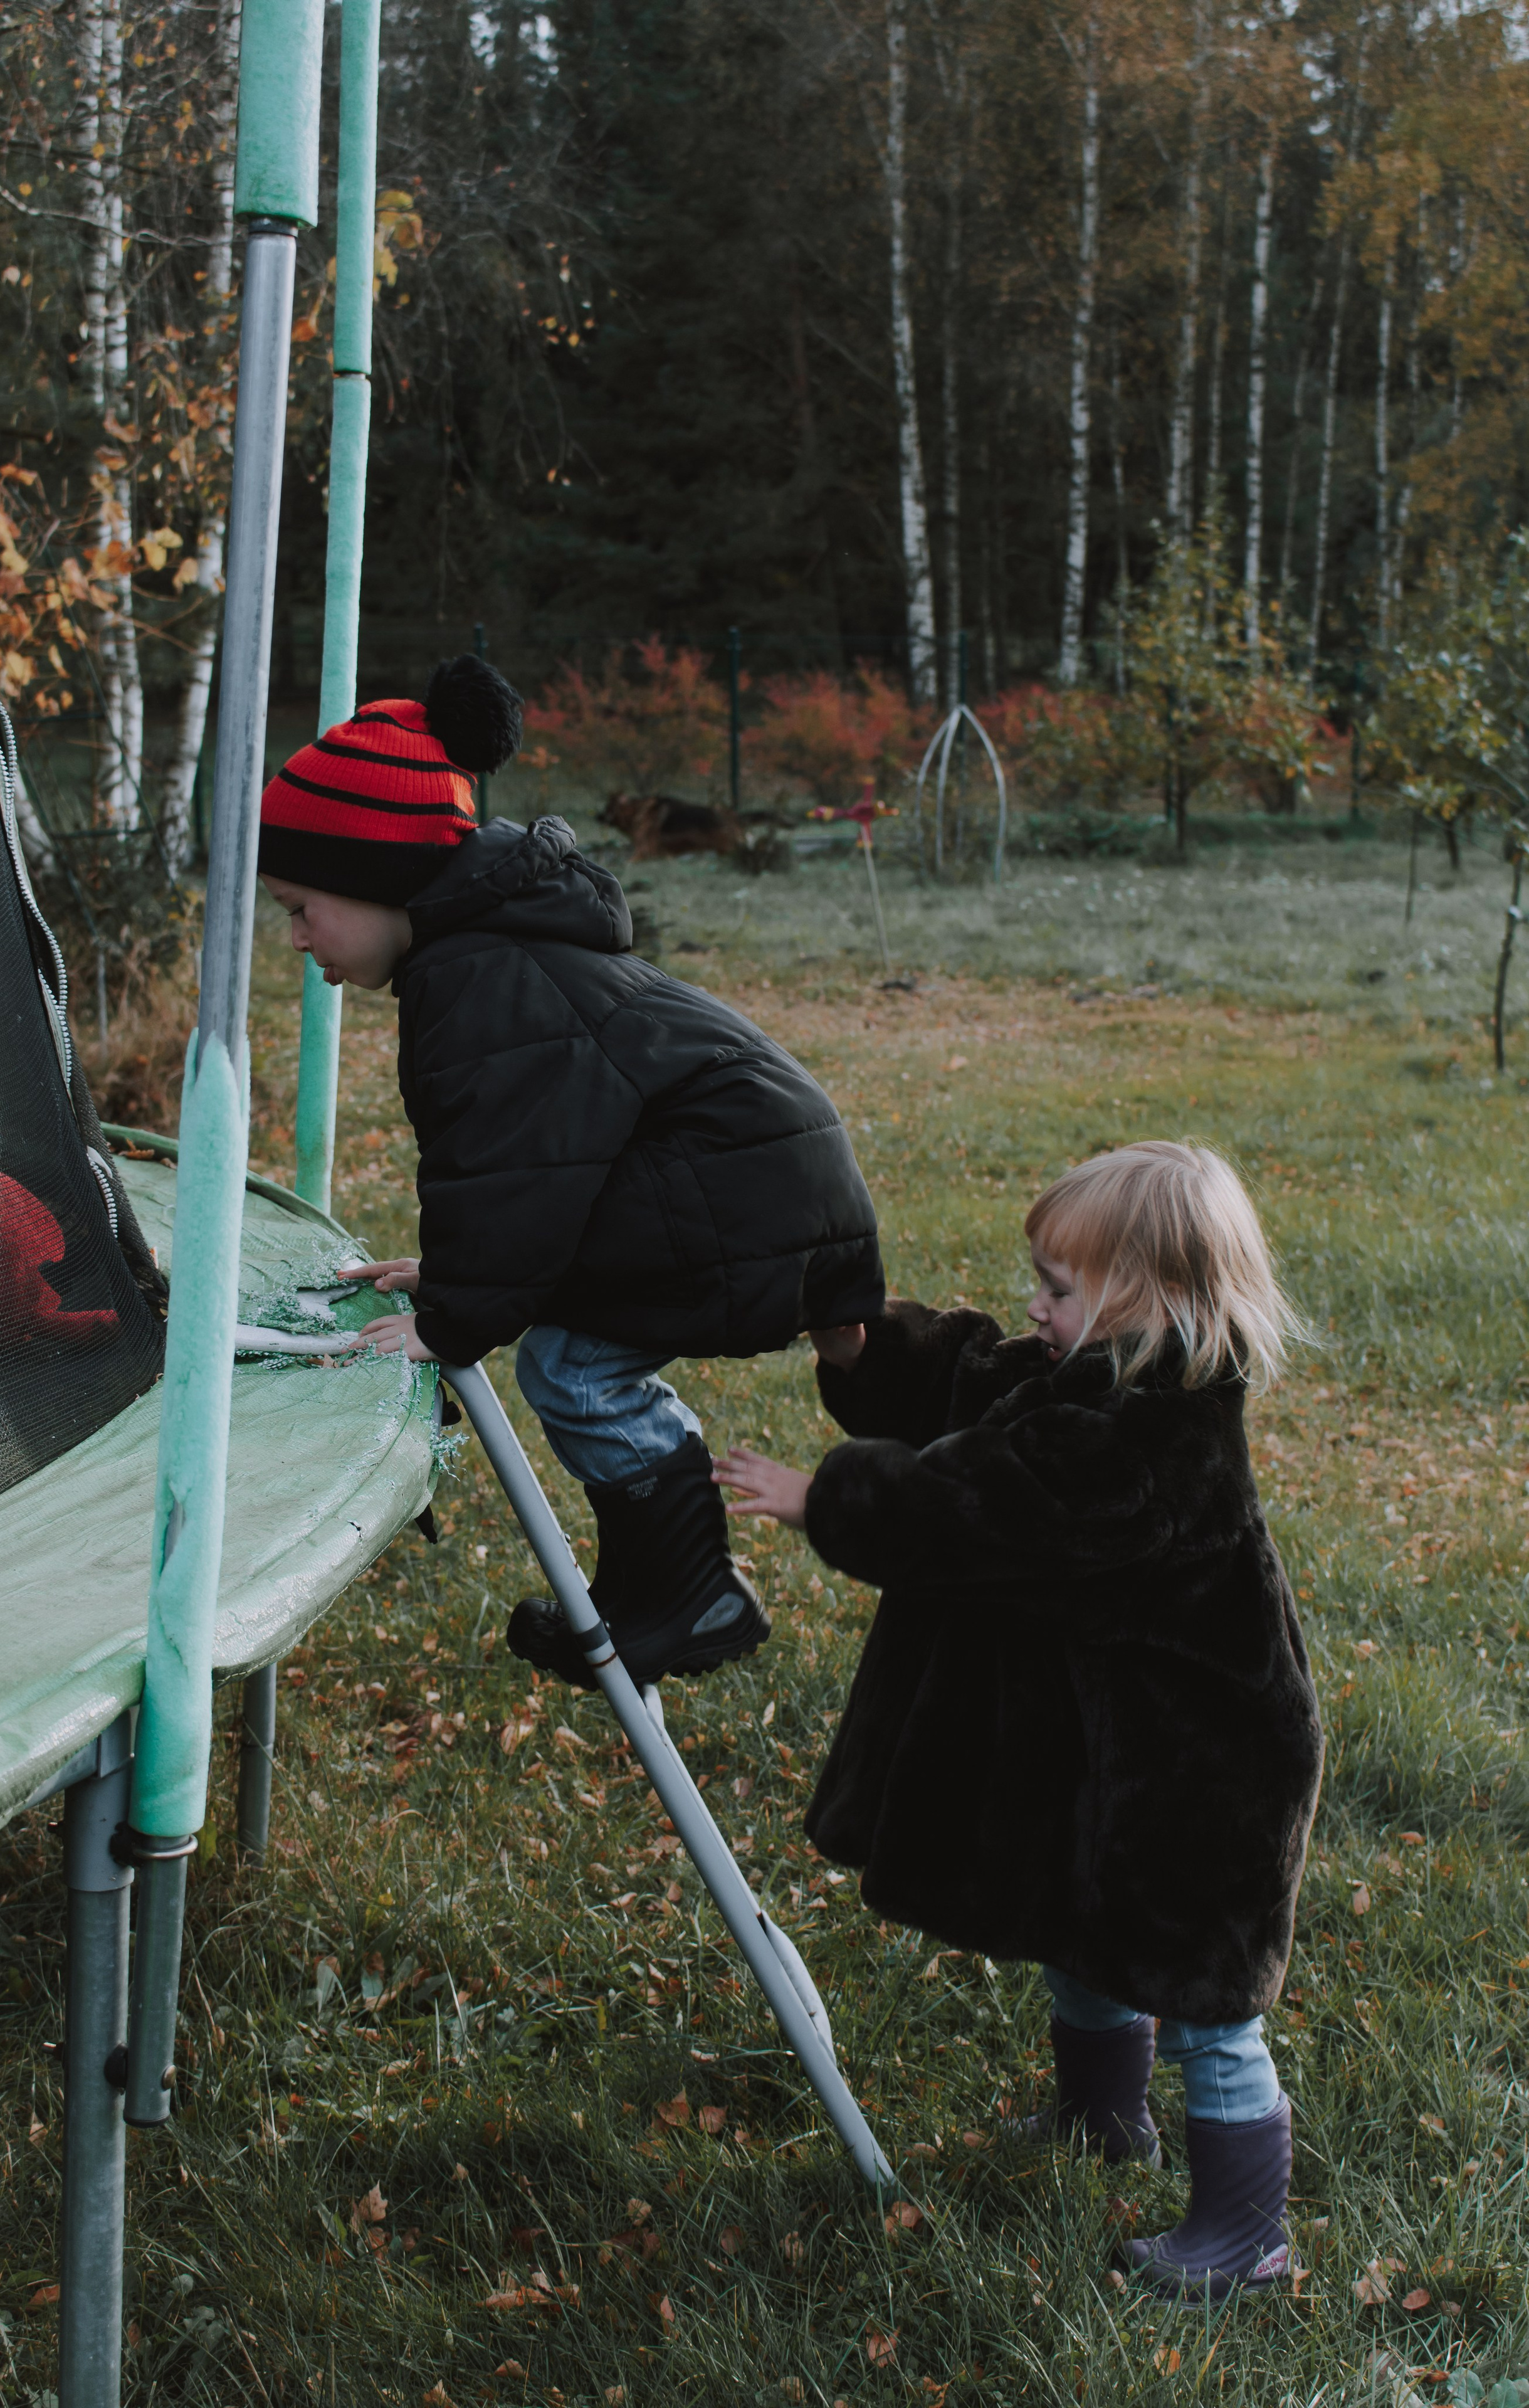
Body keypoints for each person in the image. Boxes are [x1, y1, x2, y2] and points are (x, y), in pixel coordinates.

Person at [713, 1142, 1324, 2299]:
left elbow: (991, 1505)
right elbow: (976, 1382)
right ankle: (1104, 2125)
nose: (1033, 1311)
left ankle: (1246, 2235)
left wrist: (828, 1493)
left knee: (1201, 1999)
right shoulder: (1095, 1376)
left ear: (1150, 1304)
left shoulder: (1156, 1440)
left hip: (1203, 1768)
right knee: (1079, 1935)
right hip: (1110, 1746)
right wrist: (864, 1345)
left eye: (1058, 1291)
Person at [257, 652, 885, 1691]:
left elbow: (521, 1175)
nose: (293, 939)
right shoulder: (484, 956)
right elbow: (526, 1172)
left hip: (741, 1187)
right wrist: (460, 1268)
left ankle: (690, 1598)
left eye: (300, 905)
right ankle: (661, 1598)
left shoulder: (477, 980)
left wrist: (458, 1315)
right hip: (744, 1174)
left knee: (573, 1367)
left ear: (377, 878)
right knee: (571, 1355)